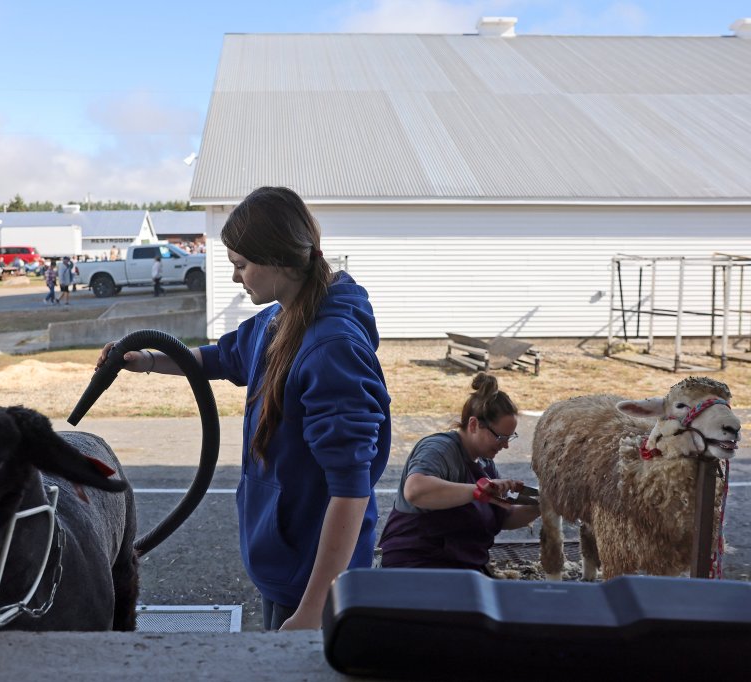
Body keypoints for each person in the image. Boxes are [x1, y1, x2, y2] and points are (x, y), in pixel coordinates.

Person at [96, 186, 390, 631]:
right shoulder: (283, 317)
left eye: (241, 265)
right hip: (289, 562)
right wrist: (148, 360)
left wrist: (313, 610)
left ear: (277, 260)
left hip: (316, 581)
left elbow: (351, 491)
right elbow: (221, 358)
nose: (236, 277)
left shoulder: (332, 349)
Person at [377, 373, 540, 573]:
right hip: (415, 567)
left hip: (460, 569)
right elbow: (416, 491)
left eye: (509, 437)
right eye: (500, 437)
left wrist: (542, 506)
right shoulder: (438, 449)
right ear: (473, 425)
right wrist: (479, 490)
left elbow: (503, 518)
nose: (505, 445)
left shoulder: (485, 463)